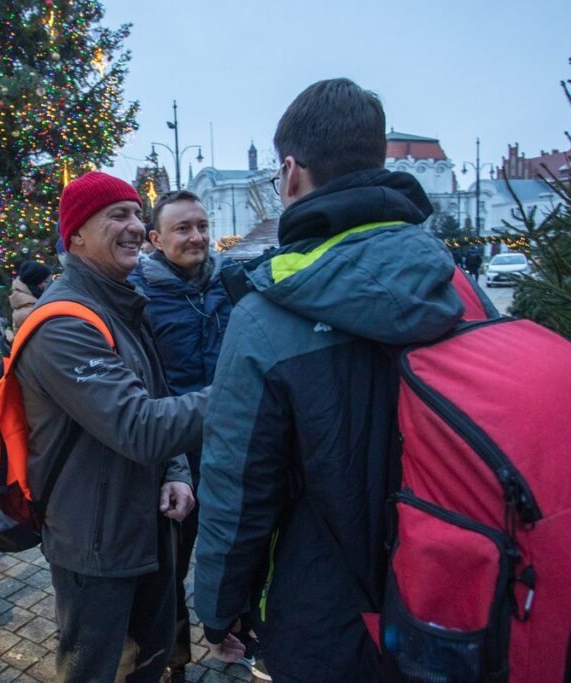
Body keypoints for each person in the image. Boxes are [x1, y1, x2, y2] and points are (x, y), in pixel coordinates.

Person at [194, 78, 467, 682]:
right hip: (451, 603)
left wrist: (218, 610)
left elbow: (238, 491)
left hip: (321, 616)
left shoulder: (265, 318)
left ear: (290, 174)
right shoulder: (458, 290)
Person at [13, 171, 219, 682]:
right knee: (97, 671)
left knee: (148, 663)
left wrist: (175, 471)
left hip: (145, 521)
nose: (134, 226)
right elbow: (140, 426)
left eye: (136, 213)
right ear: (75, 235)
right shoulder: (64, 322)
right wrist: (243, 390)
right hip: (96, 540)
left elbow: (155, 395)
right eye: (117, 215)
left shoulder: (122, 304)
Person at [127, 190, 241, 682]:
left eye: (201, 225)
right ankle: (174, 660)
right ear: (155, 238)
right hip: (175, 455)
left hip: (233, 448)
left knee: (238, 550)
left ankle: (235, 637)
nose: (196, 236)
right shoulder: (137, 295)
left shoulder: (231, 283)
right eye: (182, 228)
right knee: (170, 569)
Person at [9, 260, 52, 335]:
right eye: (46, 281)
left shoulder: (35, 304)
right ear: (36, 283)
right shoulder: (28, 312)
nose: (50, 284)